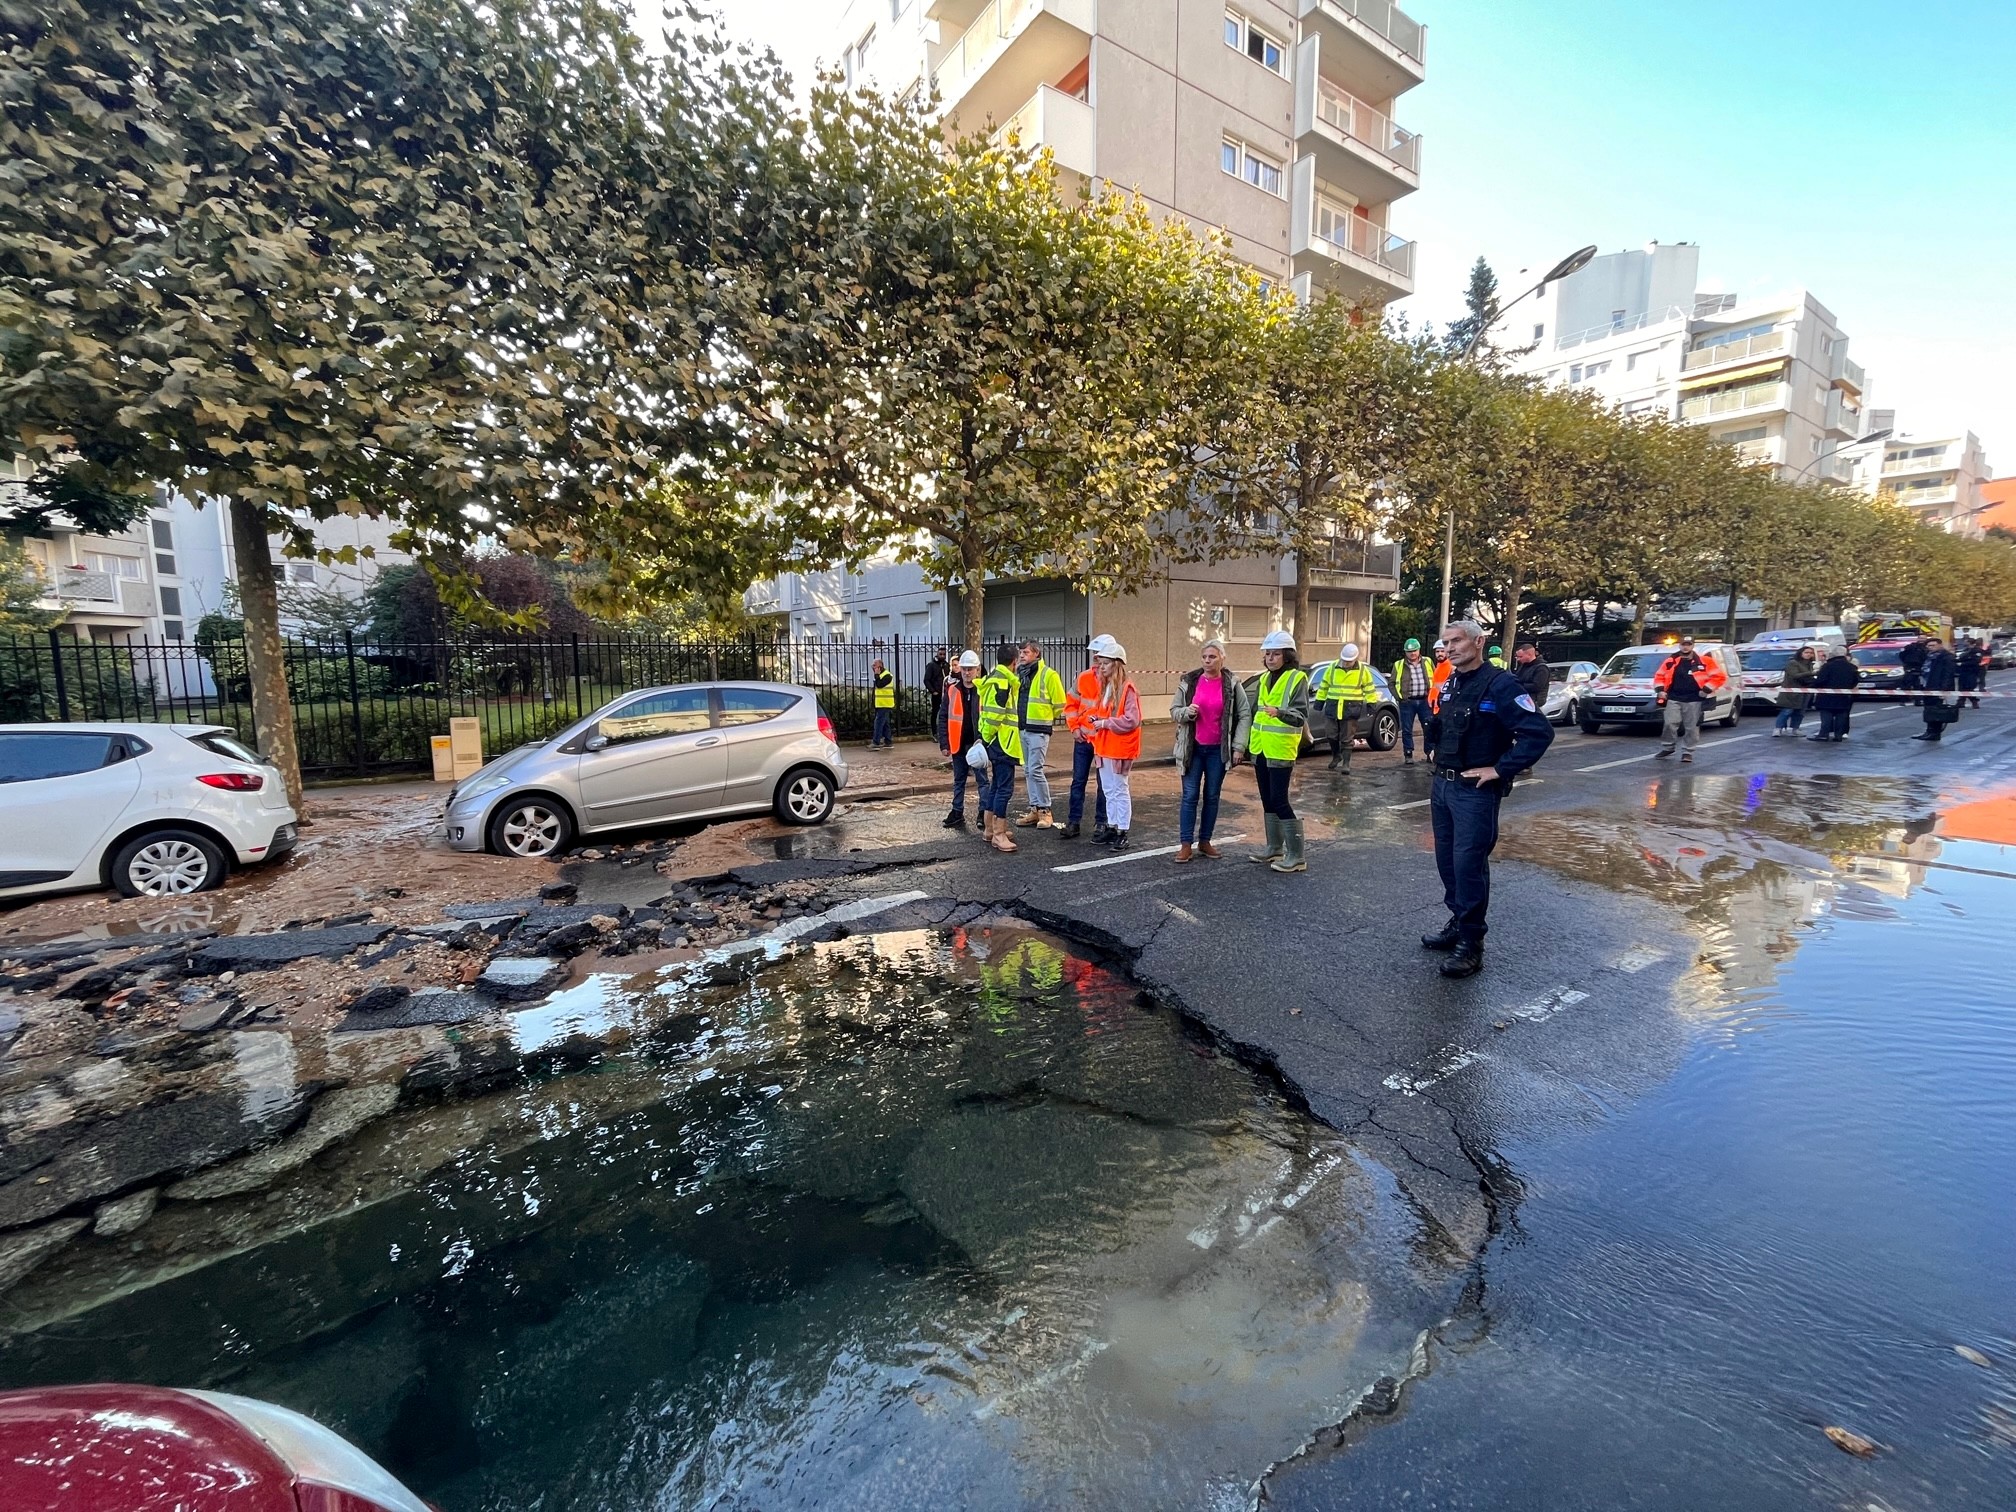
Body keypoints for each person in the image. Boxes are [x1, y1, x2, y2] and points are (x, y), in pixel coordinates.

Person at [1421, 620, 1555, 978]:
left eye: (1457, 641)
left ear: (1479, 642)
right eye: (1446, 642)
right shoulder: (1452, 681)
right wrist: (1431, 749)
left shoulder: (1501, 685)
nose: (1449, 648)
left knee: (1468, 865)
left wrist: (1499, 769)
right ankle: (1457, 922)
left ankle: (1471, 943)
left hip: (1473, 793)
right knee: (1447, 862)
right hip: (1443, 786)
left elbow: (1537, 733)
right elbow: (1438, 724)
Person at [1172, 639, 1253, 862]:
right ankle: (1185, 844)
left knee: (1212, 796)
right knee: (1189, 796)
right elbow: (1174, 711)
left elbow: (1244, 715)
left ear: (1222, 658)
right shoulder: (1189, 682)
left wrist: (1239, 746)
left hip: (1218, 750)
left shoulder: (1232, 684)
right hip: (1192, 749)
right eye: (1204, 657)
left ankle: (1205, 841)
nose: (1208, 661)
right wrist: (1186, 712)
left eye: (1212, 657)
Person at [1247, 629, 1312, 874]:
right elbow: (1254, 714)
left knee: (1279, 800)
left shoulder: (1297, 679)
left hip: (1282, 749)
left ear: (1287, 656)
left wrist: (1280, 712)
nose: (1270, 658)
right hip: (1261, 748)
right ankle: (1274, 847)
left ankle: (1296, 855)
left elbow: (1301, 716)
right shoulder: (1264, 679)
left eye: (1276, 654)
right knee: (1267, 800)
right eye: (1268, 654)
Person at [1059, 635, 1116, 841]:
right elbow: (1071, 704)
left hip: (1104, 740)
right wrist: (1074, 728)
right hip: (1084, 738)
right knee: (1078, 781)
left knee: (1104, 783)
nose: (1097, 662)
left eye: (1101, 658)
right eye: (1095, 658)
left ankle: (1101, 822)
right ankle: (1074, 822)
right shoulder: (1083, 678)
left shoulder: (1116, 682)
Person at [1088, 644, 1142, 849]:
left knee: (1119, 789)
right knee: (1111, 790)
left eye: (1106, 663)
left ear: (1117, 664)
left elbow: (1132, 720)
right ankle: (1113, 827)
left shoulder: (1126, 689)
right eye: (1100, 663)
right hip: (1105, 746)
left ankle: (1122, 831)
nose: (1101, 667)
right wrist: (1100, 720)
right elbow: (1114, 716)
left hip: (1118, 748)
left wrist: (1104, 723)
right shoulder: (1108, 687)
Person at [1012, 638, 1069, 830]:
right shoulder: (1019, 674)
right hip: (1022, 727)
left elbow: (1060, 704)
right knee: (1028, 770)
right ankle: (1035, 809)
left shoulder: (1048, 674)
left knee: (1035, 769)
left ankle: (1045, 810)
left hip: (1038, 729)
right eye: (1020, 652)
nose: (1021, 656)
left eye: (1025, 652)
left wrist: (1045, 717)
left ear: (1036, 653)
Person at [976, 643, 1023, 851]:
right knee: (1004, 789)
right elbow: (995, 716)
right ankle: (999, 834)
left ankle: (989, 829)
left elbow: (987, 713)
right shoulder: (1003, 682)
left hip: (996, 742)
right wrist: (987, 738)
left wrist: (985, 739)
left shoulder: (994, 677)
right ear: (1014, 662)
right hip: (1004, 743)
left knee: (996, 787)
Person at [1653, 636, 1725, 763]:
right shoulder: (1671, 660)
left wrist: (1706, 690)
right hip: (1674, 697)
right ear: (1679, 645)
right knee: (1670, 724)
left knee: (1691, 727)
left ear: (1692, 646)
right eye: (1683, 644)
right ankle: (1668, 747)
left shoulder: (1705, 661)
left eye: (1688, 644)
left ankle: (1688, 752)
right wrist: (1661, 691)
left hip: (1694, 699)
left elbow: (1719, 677)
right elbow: (1659, 675)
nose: (1685, 647)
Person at [1313, 641, 1377, 771]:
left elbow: (1369, 688)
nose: (1346, 663)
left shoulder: (1362, 671)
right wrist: (1319, 701)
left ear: (1355, 659)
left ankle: (1346, 763)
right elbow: (1324, 685)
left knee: (1347, 738)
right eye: (1345, 660)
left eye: (1349, 661)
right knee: (1331, 734)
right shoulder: (1332, 667)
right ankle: (1336, 755)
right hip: (1333, 706)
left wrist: (1371, 703)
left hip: (1350, 708)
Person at [941, 651, 983, 828]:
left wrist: (982, 739)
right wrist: (944, 743)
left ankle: (984, 813)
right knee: (959, 780)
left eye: (970, 669)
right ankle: (957, 812)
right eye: (965, 669)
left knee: (982, 780)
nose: (967, 672)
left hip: (977, 744)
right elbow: (942, 717)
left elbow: (988, 717)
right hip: (958, 744)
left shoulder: (983, 690)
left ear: (977, 670)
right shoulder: (952, 691)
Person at [1391, 638, 1434, 765]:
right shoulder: (1399, 665)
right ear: (1405, 652)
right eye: (1409, 651)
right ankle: (1408, 753)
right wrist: (1399, 697)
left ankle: (1430, 753)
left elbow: (1435, 677)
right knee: (1407, 729)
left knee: (1428, 728)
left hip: (1425, 700)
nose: (1412, 653)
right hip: (1407, 702)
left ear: (1419, 650)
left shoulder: (1427, 662)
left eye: (1414, 651)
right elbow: (1391, 683)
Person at [1809, 644, 1861, 741]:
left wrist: (1814, 686)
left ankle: (1824, 734)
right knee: (1841, 716)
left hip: (1827, 696)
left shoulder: (1827, 666)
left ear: (1833, 654)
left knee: (1826, 715)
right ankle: (1838, 736)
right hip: (1844, 696)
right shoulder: (1851, 667)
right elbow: (1855, 680)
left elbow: (1821, 680)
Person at [1913, 637, 1960, 742]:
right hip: (1927, 686)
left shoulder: (1947, 657)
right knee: (1929, 710)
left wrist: (1944, 689)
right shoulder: (1928, 656)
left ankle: (1935, 733)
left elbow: (1948, 674)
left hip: (1938, 687)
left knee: (1937, 711)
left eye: (1933, 645)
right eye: (1928, 646)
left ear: (1940, 645)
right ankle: (1929, 731)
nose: (1930, 648)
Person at [1774, 644, 1818, 735]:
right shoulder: (1793, 663)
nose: (1809, 654)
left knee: (1800, 712)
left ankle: (1795, 728)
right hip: (1791, 691)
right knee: (1787, 710)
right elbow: (1794, 675)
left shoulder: (1810, 664)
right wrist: (1811, 673)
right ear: (1800, 653)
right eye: (1806, 652)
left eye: (1811, 653)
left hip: (1805, 691)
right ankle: (1778, 728)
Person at [924, 647, 950, 752]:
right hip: (937, 693)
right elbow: (926, 679)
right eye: (941, 654)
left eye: (944, 654)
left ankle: (944, 733)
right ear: (937, 654)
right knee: (935, 712)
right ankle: (935, 733)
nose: (942, 656)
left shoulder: (947, 665)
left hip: (946, 693)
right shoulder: (931, 665)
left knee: (946, 713)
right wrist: (933, 691)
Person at [1512, 642, 1551, 707]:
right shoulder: (1524, 666)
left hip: (1535, 703)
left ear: (1529, 655)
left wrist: (1519, 685)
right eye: (1517, 657)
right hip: (1524, 700)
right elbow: (1517, 677)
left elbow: (1537, 686)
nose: (1518, 659)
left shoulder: (1542, 668)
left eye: (1520, 656)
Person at [869, 659, 895, 749]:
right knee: (885, 723)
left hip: (885, 704)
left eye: (874, 665)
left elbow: (879, 685)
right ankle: (888, 741)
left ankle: (876, 742)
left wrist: (876, 675)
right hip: (880, 703)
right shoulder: (881, 675)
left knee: (879, 723)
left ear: (880, 666)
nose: (873, 667)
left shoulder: (887, 675)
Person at [1956, 636, 1986, 710]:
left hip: (1972, 672)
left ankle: (1974, 701)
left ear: (1970, 643)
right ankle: (1961, 702)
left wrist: (1962, 664)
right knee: (1961, 687)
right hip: (1963, 671)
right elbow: (1960, 658)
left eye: (1966, 642)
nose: (1964, 643)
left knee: (1969, 688)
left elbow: (1976, 661)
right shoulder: (1966, 650)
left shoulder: (1977, 651)